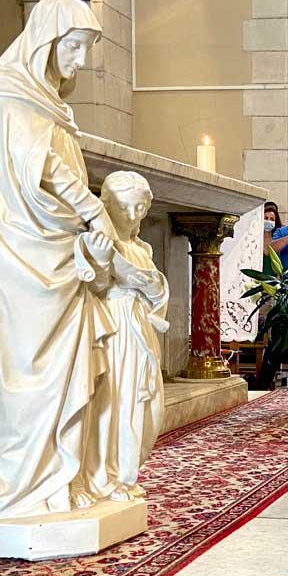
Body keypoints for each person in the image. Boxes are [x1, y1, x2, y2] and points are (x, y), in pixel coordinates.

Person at [0, 0, 117, 520]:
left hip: (54, 252)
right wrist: (89, 208)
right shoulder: (9, 98)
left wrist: (85, 219)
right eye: (73, 47)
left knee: (64, 368)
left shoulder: (46, 104)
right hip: (20, 254)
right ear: (46, 41)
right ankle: (21, 486)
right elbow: (38, 168)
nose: (79, 61)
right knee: (24, 366)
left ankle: (60, 478)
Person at [74, 171, 169, 506]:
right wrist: (102, 262)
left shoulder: (139, 247)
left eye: (140, 209)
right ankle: (105, 477)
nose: (132, 217)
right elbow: (94, 286)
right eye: (126, 208)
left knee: (144, 404)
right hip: (113, 331)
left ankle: (126, 472)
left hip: (140, 329)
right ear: (108, 206)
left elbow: (157, 294)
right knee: (114, 403)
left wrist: (150, 286)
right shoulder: (100, 242)